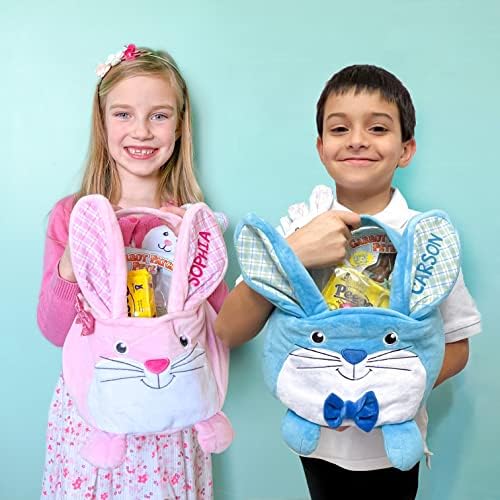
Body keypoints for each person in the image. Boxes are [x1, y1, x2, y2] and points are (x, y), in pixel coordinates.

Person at [215, 64, 481, 500]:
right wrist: (294, 254)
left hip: (395, 446)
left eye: (378, 128)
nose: (357, 139)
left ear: (406, 148)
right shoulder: (298, 227)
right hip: (317, 443)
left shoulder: (427, 239)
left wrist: (382, 392)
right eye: (340, 129)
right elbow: (228, 329)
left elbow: (457, 346)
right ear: (321, 148)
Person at [37, 44, 227, 499]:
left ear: (179, 125)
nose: (141, 130)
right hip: (93, 416)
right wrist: (73, 260)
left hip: (173, 415)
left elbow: (219, 331)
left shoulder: (193, 223)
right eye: (123, 114)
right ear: (102, 123)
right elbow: (54, 330)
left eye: (159, 115)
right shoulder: (70, 216)